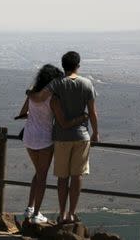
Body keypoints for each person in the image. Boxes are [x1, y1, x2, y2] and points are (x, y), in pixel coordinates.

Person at [15, 64, 88, 224]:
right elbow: (63, 122)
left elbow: (22, 113)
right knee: (42, 176)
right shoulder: (53, 97)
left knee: (38, 172)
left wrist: (34, 115)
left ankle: (30, 208)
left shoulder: (32, 93)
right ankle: (36, 215)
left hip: (29, 137)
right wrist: (82, 118)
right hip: (44, 139)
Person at [36, 51, 99, 223]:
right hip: (82, 136)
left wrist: (30, 93)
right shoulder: (87, 84)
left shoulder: (56, 84)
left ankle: (62, 213)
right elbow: (92, 112)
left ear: (63, 66)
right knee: (77, 176)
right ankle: (72, 213)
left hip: (61, 137)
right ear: (78, 65)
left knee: (62, 177)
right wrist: (96, 133)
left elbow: (40, 97)